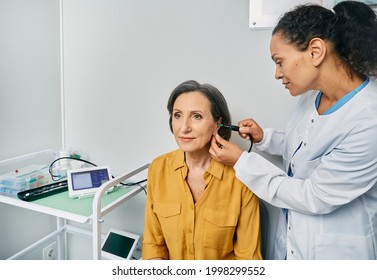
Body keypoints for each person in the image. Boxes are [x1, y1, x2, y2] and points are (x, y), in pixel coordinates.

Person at [210, 1, 377, 260]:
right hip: (294, 244)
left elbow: (315, 196)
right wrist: (265, 138)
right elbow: (307, 145)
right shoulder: (312, 97)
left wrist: (243, 162)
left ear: (315, 51)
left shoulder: (369, 120)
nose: (277, 74)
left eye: (280, 61)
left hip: (336, 254)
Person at [142, 80, 262, 260]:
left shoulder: (241, 176)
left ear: (217, 123)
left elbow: (248, 260)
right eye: (177, 115)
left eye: (196, 116)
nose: (184, 128)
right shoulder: (158, 169)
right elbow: (154, 247)